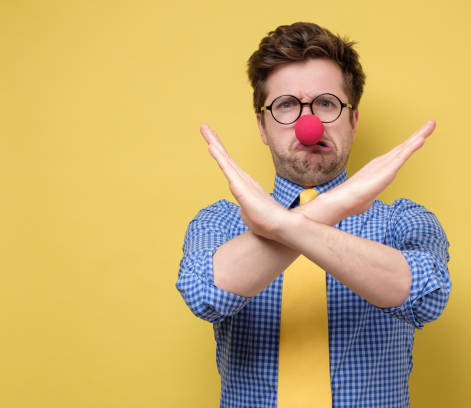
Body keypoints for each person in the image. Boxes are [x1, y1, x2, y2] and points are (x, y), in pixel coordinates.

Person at [176, 22, 451, 408]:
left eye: (326, 103)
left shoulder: (403, 221)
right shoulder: (221, 222)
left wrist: (283, 225)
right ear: (262, 126)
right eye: (286, 105)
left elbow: (426, 297)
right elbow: (206, 295)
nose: (311, 125)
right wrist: (332, 207)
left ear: (353, 121)